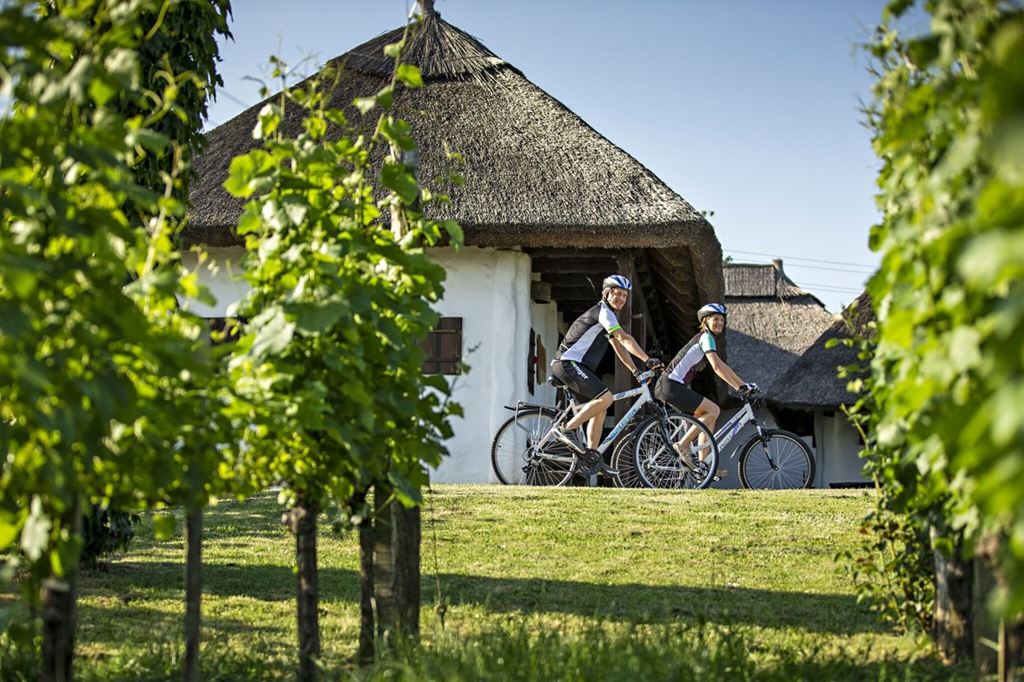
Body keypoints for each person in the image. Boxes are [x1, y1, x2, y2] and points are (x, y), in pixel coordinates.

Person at [549, 274, 660, 471]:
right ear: (606, 293)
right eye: (617, 294)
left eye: (624, 295)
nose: (621, 299)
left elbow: (619, 347)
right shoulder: (603, 312)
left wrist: (635, 371)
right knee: (606, 398)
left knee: (600, 407)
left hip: (576, 366)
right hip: (567, 363)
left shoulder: (608, 317)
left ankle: (591, 457)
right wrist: (647, 359)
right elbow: (624, 338)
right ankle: (566, 430)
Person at [655, 303, 757, 469]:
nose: (720, 323)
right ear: (705, 321)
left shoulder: (707, 339)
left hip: (672, 386)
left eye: (722, 320)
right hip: (670, 385)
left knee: (709, 415)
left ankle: (704, 465)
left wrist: (743, 384)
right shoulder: (706, 338)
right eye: (715, 319)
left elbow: (723, 366)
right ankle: (682, 444)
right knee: (714, 410)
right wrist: (738, 388)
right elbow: (716, 367)